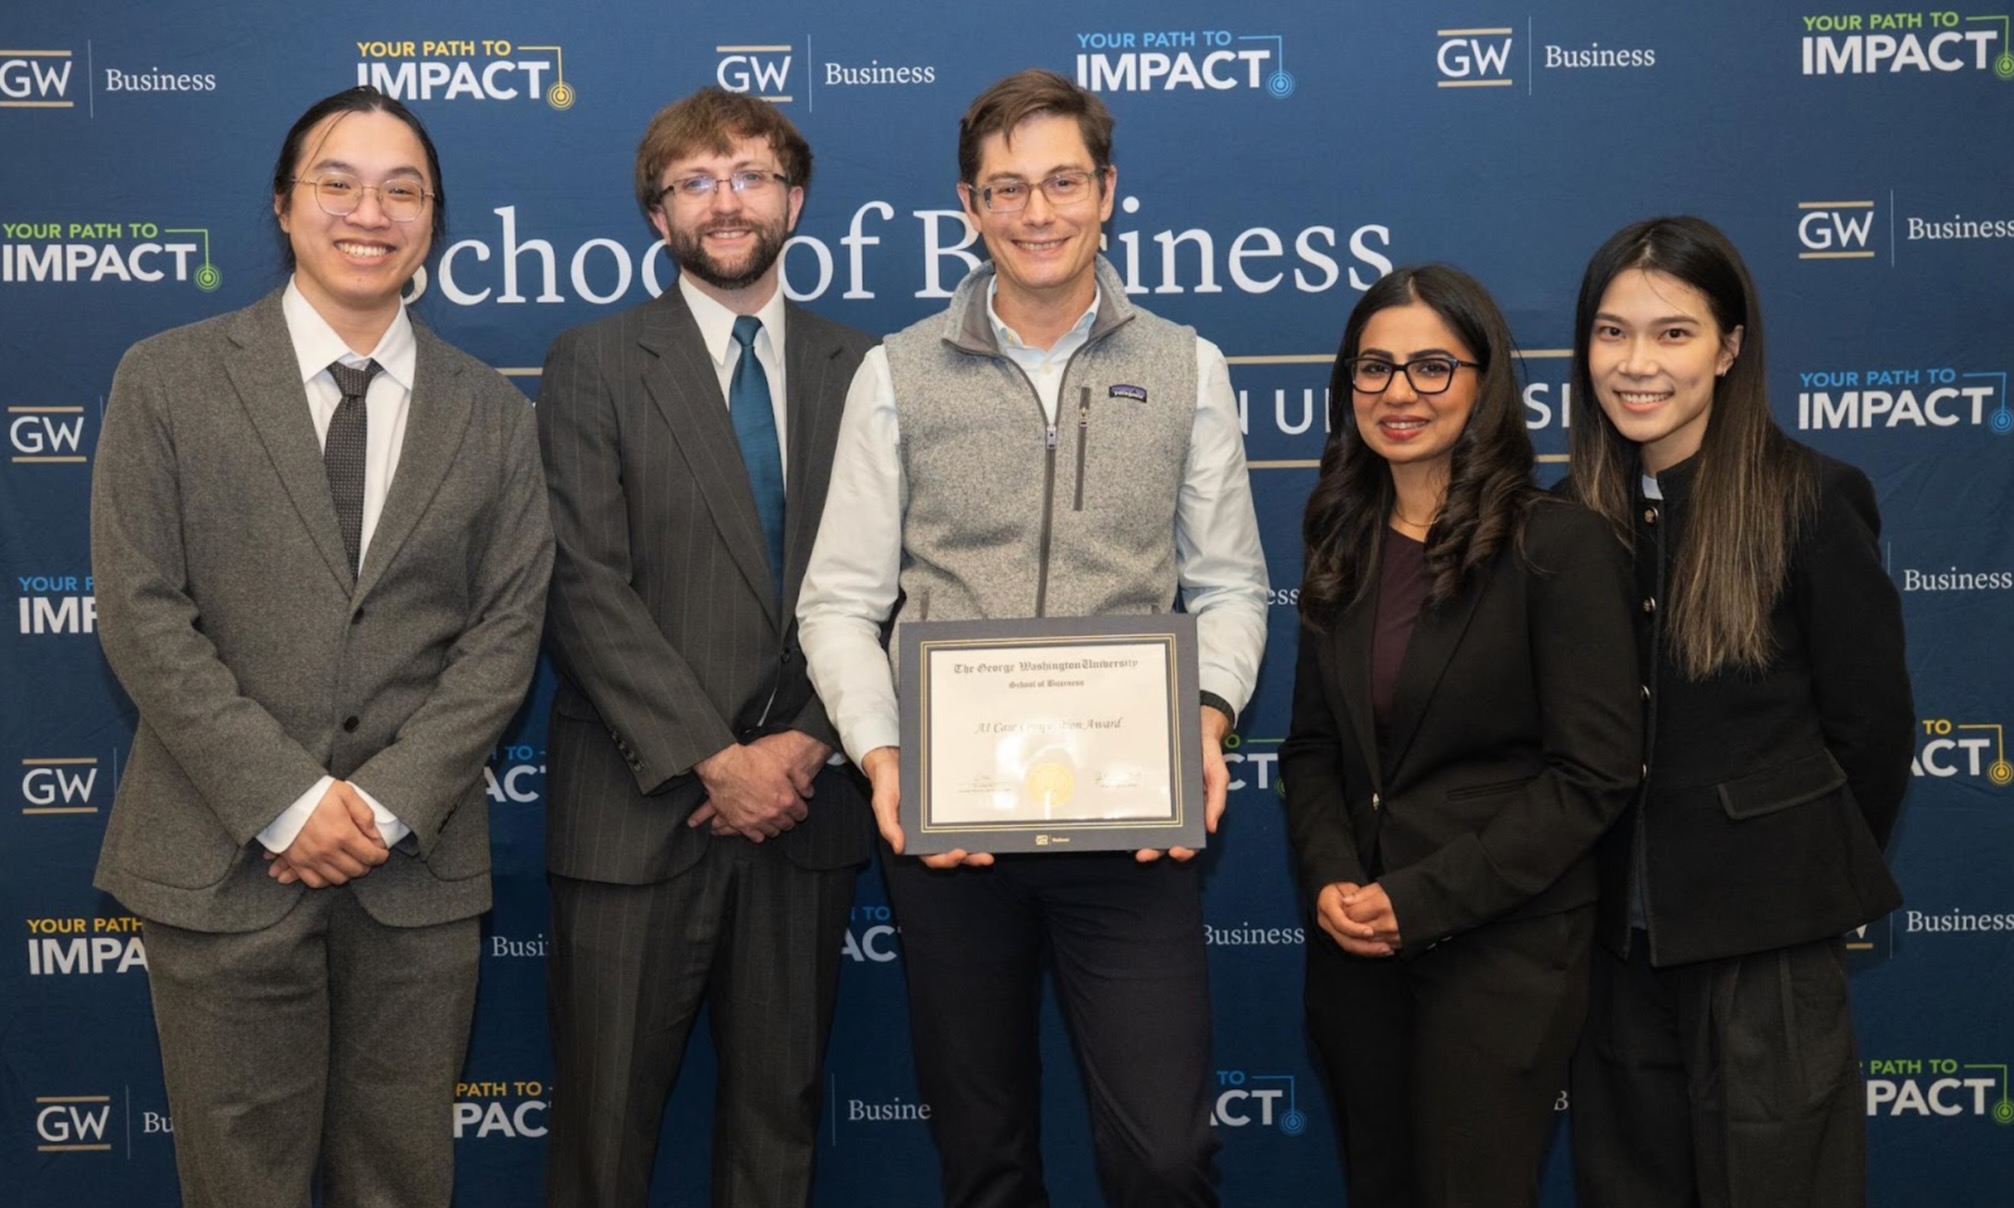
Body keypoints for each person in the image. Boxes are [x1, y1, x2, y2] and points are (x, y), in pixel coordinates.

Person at [795, 67, 1268, 1207]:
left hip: (1135, 828)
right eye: (1007, 189)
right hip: (952, 832)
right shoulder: (894, 374)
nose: (1037, 212)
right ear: (968, 206)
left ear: (1108, 192)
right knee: (985, 1156)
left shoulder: (1186, 365)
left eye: (1062, 182)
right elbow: (839, 601)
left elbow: (1231, 585)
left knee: (1163, 1152)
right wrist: (884, 757)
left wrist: (1206, 717)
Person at [89, 85, 552, 1206]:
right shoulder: (166, 377)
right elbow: (141, 610)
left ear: (433, 221)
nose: (370, 210)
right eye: (337, 183)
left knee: (400, 1178)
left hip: (415, 872)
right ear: (285, 207)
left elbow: (506, 630)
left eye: (404, 189)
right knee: (238, 1183)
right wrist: (291, 801)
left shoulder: (494, 411)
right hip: (221, 862)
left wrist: (383, 802)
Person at [536, 87, 878, 1207]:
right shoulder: (590, 362)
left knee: (777, 1133)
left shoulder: (865, 368)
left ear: (797, 198)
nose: (725, 202)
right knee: (602, 1135)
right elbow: (584, 584)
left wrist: (803, 746)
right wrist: (712, 758)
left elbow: (894, 582)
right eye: (696, 181)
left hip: (805, 806)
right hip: (637, 811)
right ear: (656, 213)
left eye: (750, 175)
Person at [1562, 216, 1911, 1208]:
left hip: (1766, 940)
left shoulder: (1811, 496)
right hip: (1614, 947)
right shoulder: (1566, 516)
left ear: (1729, 347)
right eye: (1611, 331)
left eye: (1672, 332)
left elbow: (1872, 732)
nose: (1637, 363)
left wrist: (1792, 873)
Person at [1279, 264, 1642, 1207]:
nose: (1399, 393)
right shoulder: (1340, 535)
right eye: (1375, 368)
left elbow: (1593, 774)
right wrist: (1331, 882)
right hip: (1357, 953)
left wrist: (1422, 899)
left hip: (1499, 951)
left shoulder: (1557, 544)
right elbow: (1314, 747)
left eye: (1433, 367)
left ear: (1485, 382)